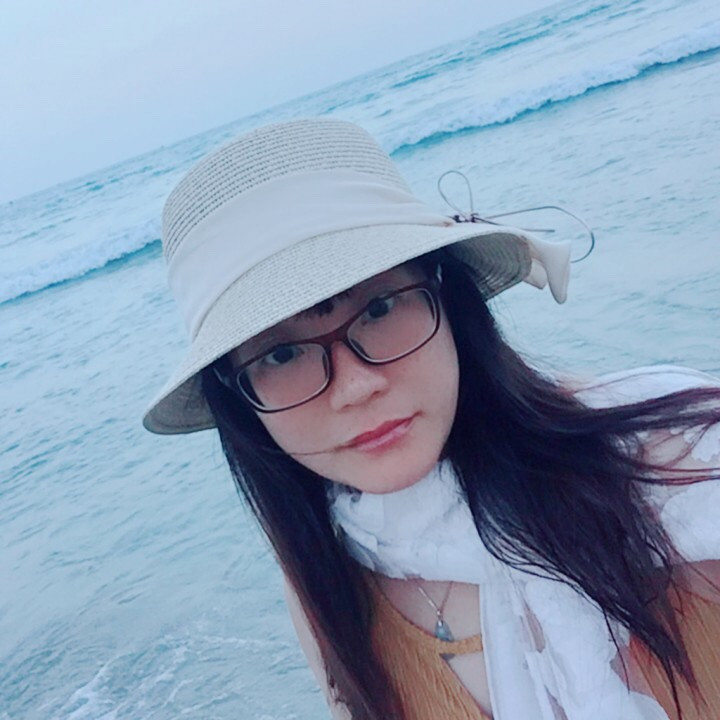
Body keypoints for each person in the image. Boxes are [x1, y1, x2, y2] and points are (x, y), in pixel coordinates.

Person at [143, 118, 720, 720]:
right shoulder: (327, 583)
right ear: (240, 402)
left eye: (380, 308)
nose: (356, 387)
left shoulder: (670, 457)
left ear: (449, 300)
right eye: (281, 354)